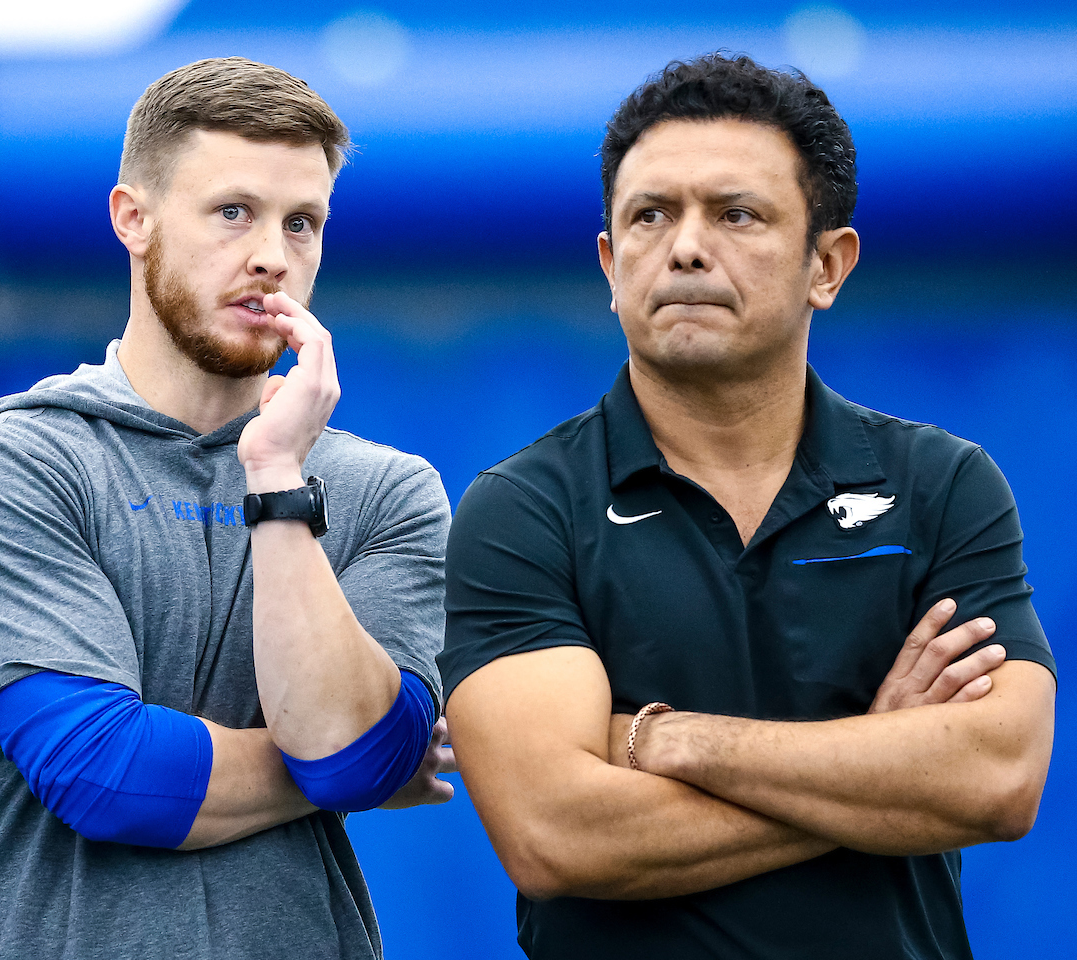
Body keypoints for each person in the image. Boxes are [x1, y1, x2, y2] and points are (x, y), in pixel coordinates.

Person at [439, 54, 1056, 960]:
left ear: (827, 264)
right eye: (650, 215)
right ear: (611, 265)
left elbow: (997, 779)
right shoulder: (522, 509)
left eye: (736, 214)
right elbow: (557, 835)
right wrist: (883, 764)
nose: (686, 247)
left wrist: (670, 739)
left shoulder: (942, 484)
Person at [0, 57, 454, 960]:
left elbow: (354, 753)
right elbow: (106, 775)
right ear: (135, 219)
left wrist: (277, 478)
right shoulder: (4, 471)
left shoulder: (386, 491)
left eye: (302, 222)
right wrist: (341, 771)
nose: (272, 253)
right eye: (233, 211)